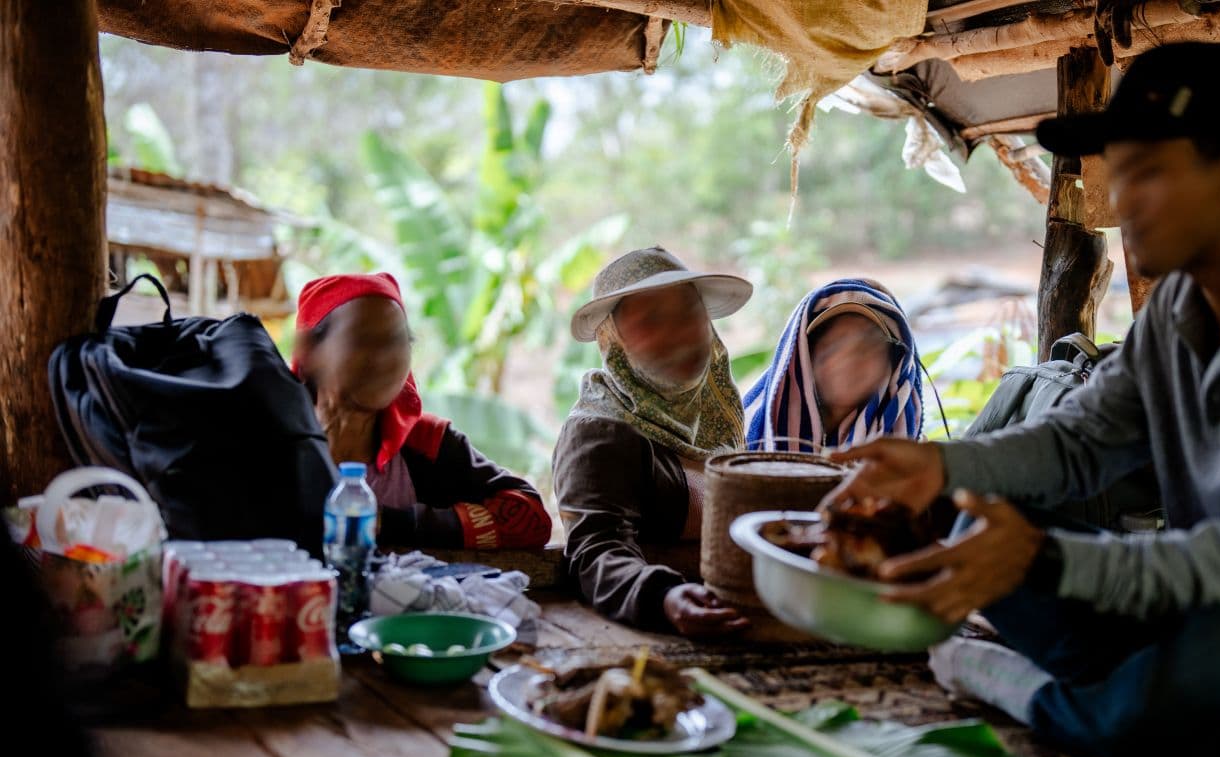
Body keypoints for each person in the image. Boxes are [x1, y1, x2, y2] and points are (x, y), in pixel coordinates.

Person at [825, 43, 1220, 757]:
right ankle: (1187, 717)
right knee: (978, 514)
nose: (1119, 203)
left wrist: (1045, 557)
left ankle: (1040, 694)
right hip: (1205, 609)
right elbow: (1078, 445)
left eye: (1147, 173)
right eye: (1117, 174)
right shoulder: (1177, 311)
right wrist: (940, 465)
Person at [553, 246, 753, 638]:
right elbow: (596, 551)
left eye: (688, 313)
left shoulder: (719, 422)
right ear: (615, 340)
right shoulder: (601, 432)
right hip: (651, 645)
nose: (676, 333)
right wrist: (664, 597)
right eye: (652, 320)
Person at [292, 272, 551, 549]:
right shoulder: (269, 445)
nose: (387, 358)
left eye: (398, 340)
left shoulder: (428, 443)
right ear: (309, 352)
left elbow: (530, 520)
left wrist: (391, 523)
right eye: (364, 340)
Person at [744, 278, 925, 452]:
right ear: (805, 360)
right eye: (832, 346)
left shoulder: (906, 453)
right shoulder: (744, 438)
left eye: (866, 347)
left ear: (891, 363)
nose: (848, 360)